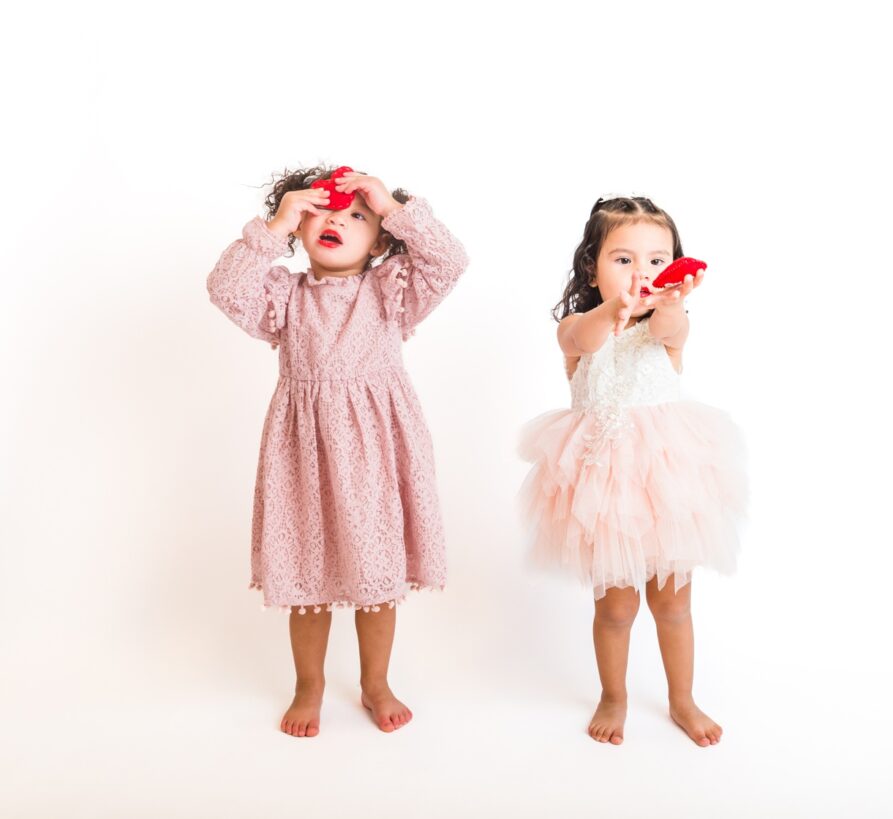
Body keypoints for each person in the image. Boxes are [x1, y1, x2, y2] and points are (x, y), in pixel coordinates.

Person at [207, 166, 469, 737]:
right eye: (324, 210)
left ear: (379, 241)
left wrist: (392, 205)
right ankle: (309, 684)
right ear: (302, 222)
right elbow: (225, 289)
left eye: (356, 216)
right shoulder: (284, 296)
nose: (337, 221)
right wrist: (275, 226)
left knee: (377, 579)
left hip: (376, 453)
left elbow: (449, 260)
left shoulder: (391, 290)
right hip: (305, 454)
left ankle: (375, 682)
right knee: (308, 575)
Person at [516, 194, 749, 746]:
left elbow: (672, 329)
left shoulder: (669, 325)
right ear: (591, 265)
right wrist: (612, 310)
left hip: (668, 483)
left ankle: (682, 698)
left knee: (673, 603)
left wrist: (668, 300)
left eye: (655, 259)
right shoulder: (577, 327)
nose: (641, 271)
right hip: (603, 483)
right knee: (616, 607)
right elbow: (585, 338)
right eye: (623, 259)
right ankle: (613, 694)